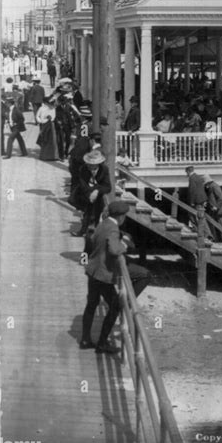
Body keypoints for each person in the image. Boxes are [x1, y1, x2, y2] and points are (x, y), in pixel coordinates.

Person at [79, 200, 151, 353]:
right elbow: (114, 249)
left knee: (91, 304)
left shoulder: (103, 223)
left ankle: (85, 339)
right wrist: (123, 243)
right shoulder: (112, 228)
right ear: (121, 217)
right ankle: (102, 343)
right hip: (104, 273)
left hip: (93, 270)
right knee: (116, 305)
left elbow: (93, 240)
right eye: (124, 216)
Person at [71, 150, 112, 237]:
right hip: (86, 194)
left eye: (93, 167)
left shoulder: (104, 169)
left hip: (99, 194)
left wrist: (96, 191)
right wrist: (90, 194)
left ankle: (96, 233)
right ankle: (83, 230)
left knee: (99, 212)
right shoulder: (83, 169)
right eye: (89, 166)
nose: (91, 169)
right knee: (87, 212)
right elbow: (83, 185)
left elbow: (108, 187)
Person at [204, 174, 222, 246]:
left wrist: (216, 206)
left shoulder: (214, 186)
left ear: (208, 182)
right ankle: (218, 241)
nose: (205, 185)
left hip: (220, 210)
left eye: (205, 184)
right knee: (215, 225)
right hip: (216, 210)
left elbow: (221, 197)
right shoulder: (210, 187)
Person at [185, 166, 209, 239]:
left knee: (196, 216)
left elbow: (192, 191)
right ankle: (205, 233)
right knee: (201, 217)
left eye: (186, 172)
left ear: (188, 171)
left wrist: (192, 202)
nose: (187, 174)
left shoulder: (192, 178)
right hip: (202, 200)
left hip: (196, 201)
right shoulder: (199, 177)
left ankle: (204, 233)